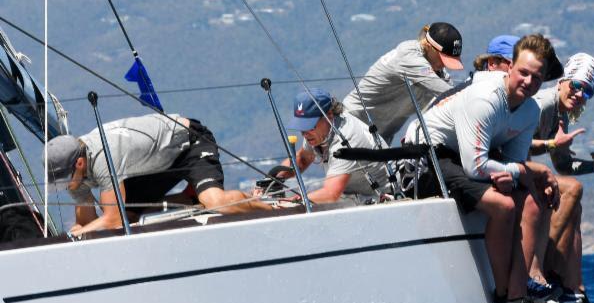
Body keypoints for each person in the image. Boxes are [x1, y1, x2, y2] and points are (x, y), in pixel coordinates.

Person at [403, 34, 561, 303]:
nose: (528, 81)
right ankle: (502, 295)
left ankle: (518, 297)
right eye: (523, 73)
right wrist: (516, 173)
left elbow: (514, 162)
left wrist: (517, 176)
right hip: (428, 154)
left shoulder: (529, 111)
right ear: (509, 67)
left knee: (532, 205)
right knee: (502, 205)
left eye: (536, 78)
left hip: (471, 156)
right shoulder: (484, 99)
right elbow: (476, 168)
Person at [45, 113, 272, 237]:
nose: (66, 186)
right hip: (156, 161)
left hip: (189, 142)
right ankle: (190, 199)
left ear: (80, 162)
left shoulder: (103, 157)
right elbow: (88, 225)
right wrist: (78, 232)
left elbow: (113, 220)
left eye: (65, 180)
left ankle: (271, 208)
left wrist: (80, 233)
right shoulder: (75, 172)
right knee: (129, 214)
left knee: (216, 202)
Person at [529, 53, 594, 303]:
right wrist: (551, 144)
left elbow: (563, 165)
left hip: (518, 166)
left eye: (587, 91)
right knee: (572, 189)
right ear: (562, 81)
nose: (579, 94)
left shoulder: (560, 113)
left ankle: (575, 292)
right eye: (576, 85)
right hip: (500, 164)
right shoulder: (542, 104)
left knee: (574, 202)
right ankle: (537, 272)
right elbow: (509, 143)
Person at [342, 22, 464, 144]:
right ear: (429, 46)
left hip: (380, 138)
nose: (443, 65)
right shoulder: (409, 56)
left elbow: (452, 101)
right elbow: (450, 94)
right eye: (442, 59)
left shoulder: (435, 73)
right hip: (351, 124)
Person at [270, 88, 390, 205]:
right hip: (355, 196)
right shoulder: (317, 133)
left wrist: (295, 202)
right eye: (301, 127)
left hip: (385, 198)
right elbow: (302, 160)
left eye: (309, 126)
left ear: (329, 115)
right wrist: (270, 181)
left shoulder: (346, 142)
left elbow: (331, 194)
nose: (304, 133)